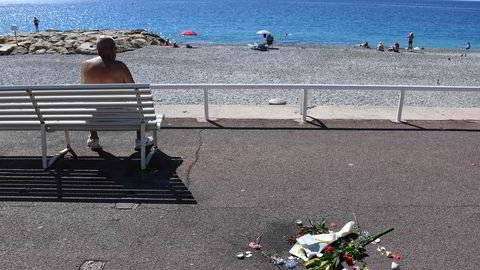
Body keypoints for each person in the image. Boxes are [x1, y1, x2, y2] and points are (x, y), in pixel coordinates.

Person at [81, 36, 153, 150]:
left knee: (92, 104)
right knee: (139, 105)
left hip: (93, 116)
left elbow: (84, 88)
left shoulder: (85, 65)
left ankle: (94, 139)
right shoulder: (119, 66)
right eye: (115, 48)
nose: (116, 51)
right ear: (111, 49)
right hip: (119, 114)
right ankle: (140, 139)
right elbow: (134, 89)